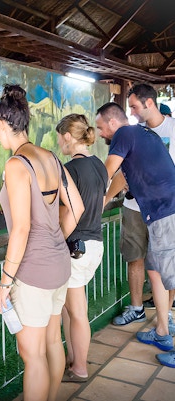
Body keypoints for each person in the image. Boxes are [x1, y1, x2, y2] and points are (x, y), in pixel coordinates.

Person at [0, 84, 84, 401]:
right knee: (50, 344)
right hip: (59, 266)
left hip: (32, 273)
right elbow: (78, 207)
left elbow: (21, 229)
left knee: (32, 357)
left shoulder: (16, 165)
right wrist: (56, 238)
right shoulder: (51, 158)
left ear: (3, 124)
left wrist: (4, 283)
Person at [96, 101, 175, 368]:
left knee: (169, 276)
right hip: (158, 214)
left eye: (100, 127)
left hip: (166, 214)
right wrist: (105, 198)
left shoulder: (125, 134)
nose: (99, 133)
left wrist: (84, 197)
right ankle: (162, 331)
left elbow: (106, 170)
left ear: (113, 123)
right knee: (155, 272)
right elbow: (122, 176)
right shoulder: (142, 135)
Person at [56, 114, 108, 382]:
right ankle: (71, 359)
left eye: (59, 138)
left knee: (77, 313)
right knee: (70, 309)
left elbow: (69, 211)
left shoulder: (69, 169)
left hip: (76, 246)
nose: (58, 144)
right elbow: (99, 201)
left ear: (67, 137)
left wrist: (56, 240)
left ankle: (80, 369)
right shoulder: (99, 164)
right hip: (94, 244)